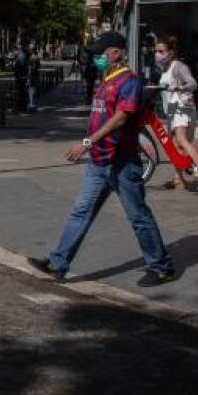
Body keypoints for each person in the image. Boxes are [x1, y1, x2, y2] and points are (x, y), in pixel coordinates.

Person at [29, 30, 176, 287]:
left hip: (122, 163)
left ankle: (161, 267)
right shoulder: (107, 79)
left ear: (116, 53)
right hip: (99, 162)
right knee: (80, 212)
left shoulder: (129, 81)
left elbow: (121, 117)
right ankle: (58, 263)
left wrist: (87, 142)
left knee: (138, 217)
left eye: (100, 53)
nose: (97, 58)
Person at [155, 36, 198, 189]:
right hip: (172, 110)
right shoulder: (164, 69)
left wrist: (179, 88)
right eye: (156, 51)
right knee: (176, 147)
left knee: (182, 139)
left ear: (171, 53)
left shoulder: (178, 66)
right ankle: (178, 179)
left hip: (182, 108)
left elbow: (193, 83)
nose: (157, 54)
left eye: (161, 51)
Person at [12, 42, 30, 113]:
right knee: (22, 92)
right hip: (22, 77)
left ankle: (21, 107)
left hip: (21, 77)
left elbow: (19, 68)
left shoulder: (21, 56)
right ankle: (22, 107)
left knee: (21, 92)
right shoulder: (22, 56)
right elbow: (23, 67)